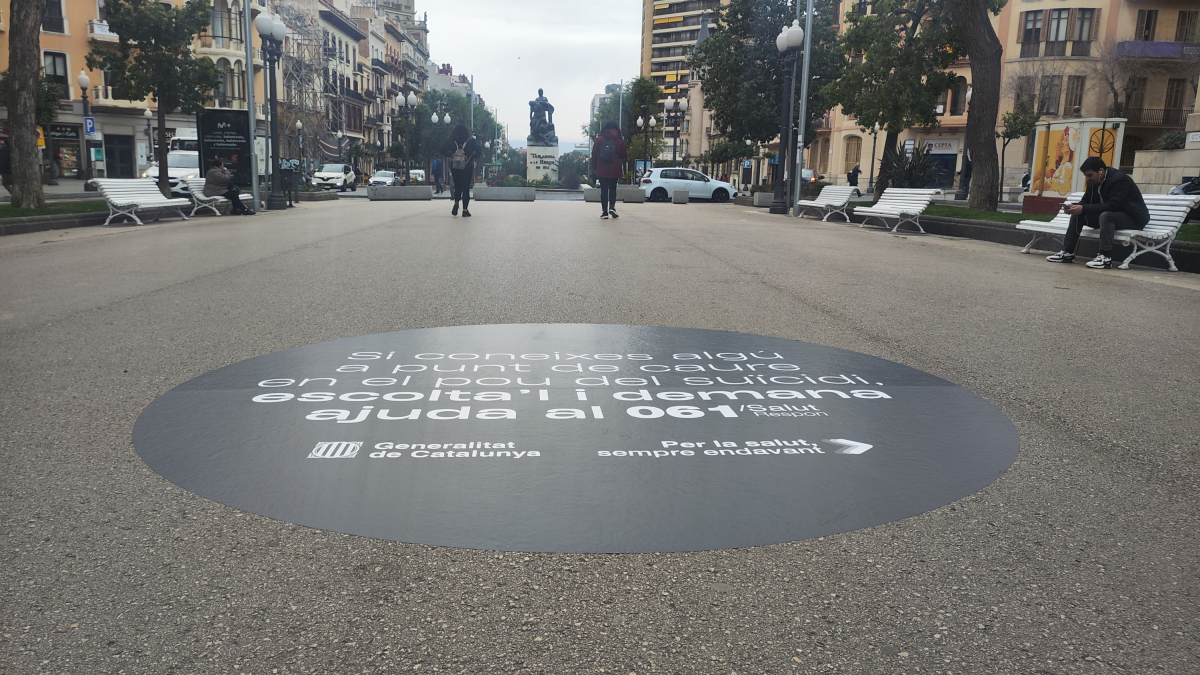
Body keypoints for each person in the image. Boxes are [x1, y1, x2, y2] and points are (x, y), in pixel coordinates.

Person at [1046, 157, 1149, 269]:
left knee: (1106, 215)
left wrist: (1083, 208)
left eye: (1090, 175)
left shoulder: (1119, 179)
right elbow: (1086, 201)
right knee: (1078, 215)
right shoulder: (1094, 181)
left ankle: (1105, 257)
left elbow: (1113, 205)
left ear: (1101, 171)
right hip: (1112, 217)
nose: (1087, 179)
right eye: (1086, 176)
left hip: (1132, 218)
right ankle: (1068, 253)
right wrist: (1074, 207)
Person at [439, 124, 482, 217]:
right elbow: (479, 150)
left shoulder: (451, 141)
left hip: (455, 166)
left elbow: (442, 150)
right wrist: (472, 157)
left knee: (457, 186)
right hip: (467, 166)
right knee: (466, 188)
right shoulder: (470, 141)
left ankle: (456, 203)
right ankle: (465, 210)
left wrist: (451, 155)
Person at [590, 121, 628, 219]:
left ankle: (604, 212)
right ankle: (612, 207)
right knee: (612, 188)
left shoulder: (599, 139)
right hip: (615, 168)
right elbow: (624, 155)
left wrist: (594, 167)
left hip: (602, 168)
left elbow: (594, 154)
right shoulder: (618, 140)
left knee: (603, 190)